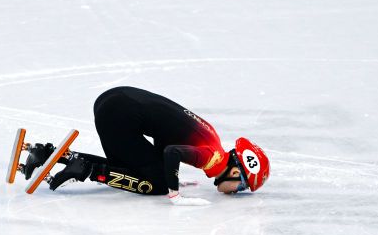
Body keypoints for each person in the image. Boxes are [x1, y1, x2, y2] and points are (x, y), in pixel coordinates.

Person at [23, 86, 270, 205]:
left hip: (114, 101)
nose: (236, 191)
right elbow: (172, 152)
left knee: (131, 168)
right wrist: (174, 192)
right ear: (235, 171)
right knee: (158, 184)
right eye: (241, 186)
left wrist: (170, 171)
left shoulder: (212, 139)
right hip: (119, 112)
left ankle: (44, 153)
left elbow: (167, 139)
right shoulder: (211, 157)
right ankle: (85, 169)